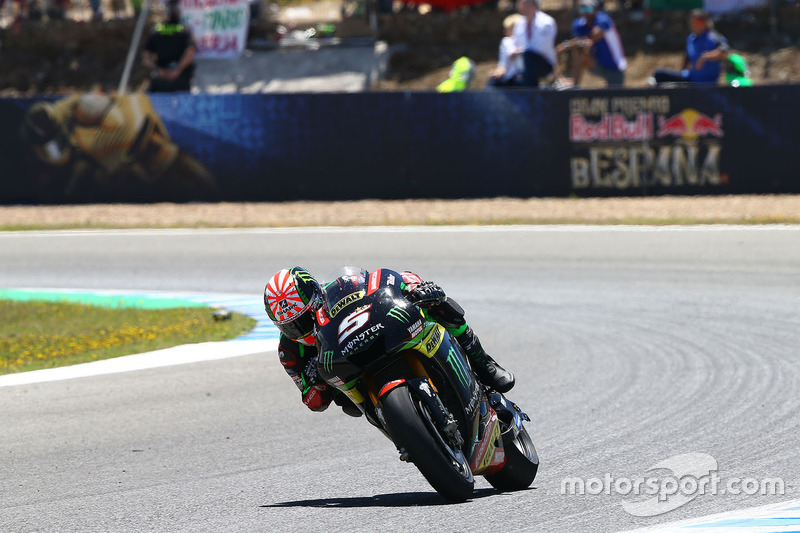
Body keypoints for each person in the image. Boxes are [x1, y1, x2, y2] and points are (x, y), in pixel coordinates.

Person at [263, 267, 515, 415]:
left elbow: (381, 281)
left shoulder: (338, 288)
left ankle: (484, 364)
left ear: (317, 297)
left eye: (304, 319)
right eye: (290, 326)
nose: (299, 330)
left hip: (381, 335)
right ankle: (406, 428)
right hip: (354, 376)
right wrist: (314, 384)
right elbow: (313, 403)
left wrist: (415, 287)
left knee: (438, 305)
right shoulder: (289, 352)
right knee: (348, 406)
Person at [556, 0, 626, 87]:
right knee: (578, 51)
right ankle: (575, 85)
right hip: (597, 63)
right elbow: (579, 42)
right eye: (582, 9)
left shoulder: (603, 20)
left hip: (615, 66)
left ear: (596, 9)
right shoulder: (579, 24)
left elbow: (591, 39)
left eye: (589, 9)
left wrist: (565, 46)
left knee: (616, 96)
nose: (585, 13)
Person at [652, 10, 729, 85]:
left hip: (708, 81)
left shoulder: (713, 37)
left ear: (704, 23)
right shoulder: (691, 39)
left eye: (697, 23)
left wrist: (705, 57)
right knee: (659, 74)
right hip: (691, 78)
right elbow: (687, 59)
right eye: (692, 23)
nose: (694, 26)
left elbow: (725, 52)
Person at [142, 0, 197, 93]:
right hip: (181, 78)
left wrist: (158, 70)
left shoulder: (157, 30)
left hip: (161, 79)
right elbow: (190, 53)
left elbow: (146, 56)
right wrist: (178, 70)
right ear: (179, 12)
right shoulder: (185, 29)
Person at [511, 0, 559, 87]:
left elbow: (542, 46)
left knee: (528, 56)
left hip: (544, 64)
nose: (519, 8)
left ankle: (530, 93)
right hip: (522, 63)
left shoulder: (547, 22)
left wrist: (522, 51)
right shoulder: (519, 23)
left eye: (522, 5)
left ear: (531, 6)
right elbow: (514, 43)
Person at [487, 14, 525, 88]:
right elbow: (511, 54)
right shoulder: (507, 41)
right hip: (508, 76)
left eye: (507, 29)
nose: (504, 31)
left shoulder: (522, 41)